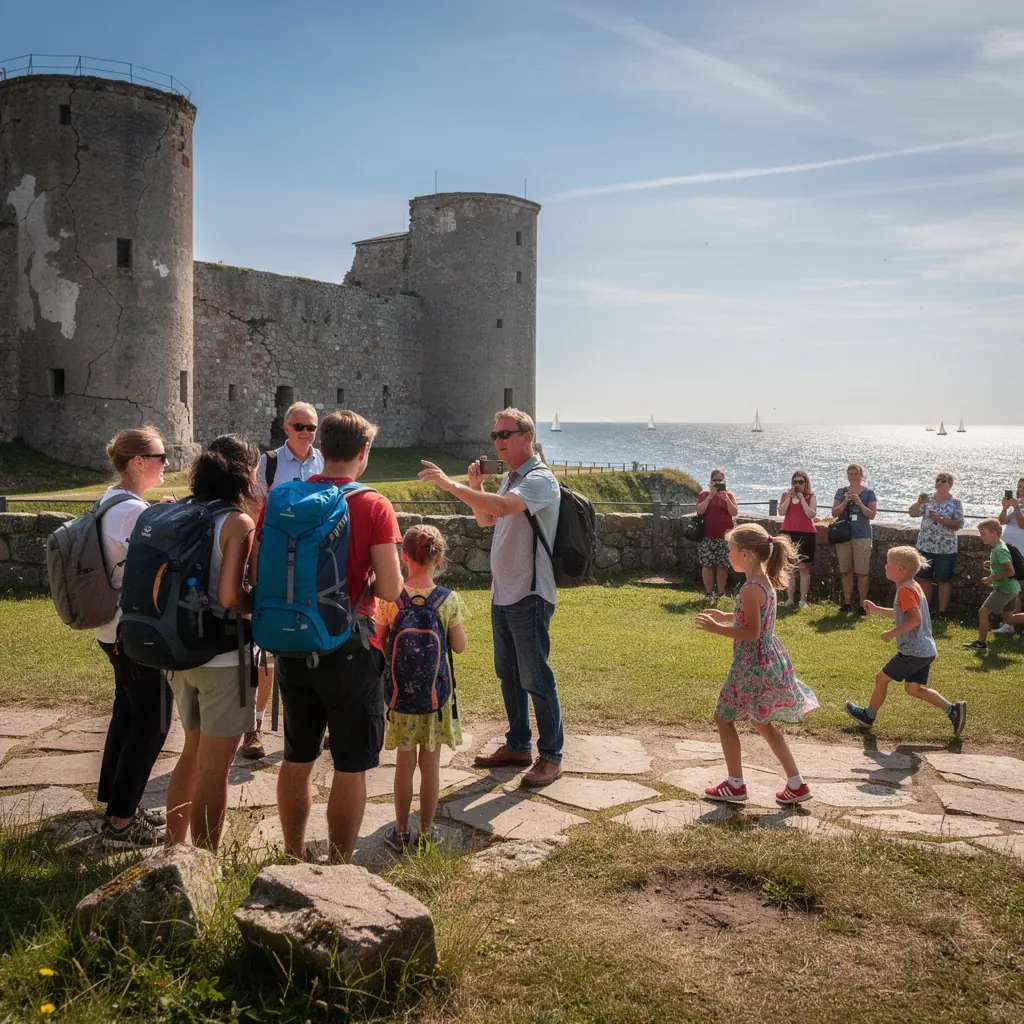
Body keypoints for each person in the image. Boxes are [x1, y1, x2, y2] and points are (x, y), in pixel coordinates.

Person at [274, 410, 403, 862]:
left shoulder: (286, 497)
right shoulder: (371, 504)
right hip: (350, 647)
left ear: (321, 448)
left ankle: (292, 856)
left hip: (292, 643)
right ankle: (339, 864)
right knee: (351, 764)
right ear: (363, 453)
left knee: (297, 757)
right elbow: (390, 588)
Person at [418, 408, 564, 788]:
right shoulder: (512, 479)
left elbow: (501, 510)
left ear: (526, 436)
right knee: (509, 674)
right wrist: (476, 488)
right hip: (505, 593)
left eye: (504, 435)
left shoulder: (540, 479)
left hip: (529, 593)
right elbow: (487, 518)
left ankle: (551, 756)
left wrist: (451, 486)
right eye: (494, 435)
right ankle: (518, 745)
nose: (497, 442)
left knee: (536, 677)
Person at [163, 435, 259, 852]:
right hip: (224, 658)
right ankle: (203, 863)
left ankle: (172, 849)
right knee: (216, 768)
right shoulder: (237, 522)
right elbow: (229, 598)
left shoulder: (180, 511)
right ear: (243, 472)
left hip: (180, 650)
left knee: (190, 753)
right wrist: (256, 601)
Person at [693, 525, 819, 806]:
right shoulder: (763, 582)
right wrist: (728, 615)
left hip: (750, 665)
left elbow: (751, 632)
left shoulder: (751, 588)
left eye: (731, 550)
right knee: (762, 723)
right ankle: (796, 784)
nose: (728, 555)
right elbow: (753, 617)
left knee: (723, 717)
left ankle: (735, 785)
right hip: (766, 660)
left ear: (746, 554)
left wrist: (716, 628)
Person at [95, 427, 174, 849]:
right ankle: (122, 823)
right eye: (161, 457)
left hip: (112, 627)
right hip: (130, 629)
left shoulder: (115, 501)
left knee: (128, 712)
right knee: (154, 717)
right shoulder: (130, 512)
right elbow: (150, 567)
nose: (166, 463)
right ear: (137, 463)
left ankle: (116, 806)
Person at [376, 525, 468, 852]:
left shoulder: (391, 600)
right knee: (430, 768)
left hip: (401, 701)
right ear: (438, 557)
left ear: (403, 557)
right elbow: (459, 647)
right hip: (436, 700)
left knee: (404, 765)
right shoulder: (449, 600)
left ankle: (400, 833)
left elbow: (379, 640)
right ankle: (428, 833)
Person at [243, 402, 324, 759]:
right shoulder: (269, 462)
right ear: (286, 427)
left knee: (316, 642)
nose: (307, 433)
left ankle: (318, 725)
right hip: (275, 560)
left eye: (312, 427)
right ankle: (253, 729)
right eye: (300, 426)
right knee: (260, 649)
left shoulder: (322, 461)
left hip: (315, 563)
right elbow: (254, 506)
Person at [845, 547, 966, 737]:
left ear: (899, 569)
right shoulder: (912, 586)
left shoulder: (905, 591)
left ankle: (868, 716)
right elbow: (903, 614)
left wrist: (892, 633)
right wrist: (877, 610)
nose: (884, 566)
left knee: (881, 678)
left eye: (887, 562)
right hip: (926, 650)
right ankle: (953, 710)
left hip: (913, 651)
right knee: (913, 689)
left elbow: (914, 620)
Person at [908, 473, 964, 618]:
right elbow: (912, 513)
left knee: (943, 580)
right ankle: (925, 611)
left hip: (946, 548)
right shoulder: (927, 500)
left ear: (950, 484)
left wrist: (940, 519)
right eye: (937, 480)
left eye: (943, 481)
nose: (939, 483)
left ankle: (942, 612)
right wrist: (919, 502)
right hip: (925, 545)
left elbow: (958, 524)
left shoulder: (955, 503)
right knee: (925, 578)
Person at [963, 518, 1021, 654]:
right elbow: (1005, 565)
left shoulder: (999, 550)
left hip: (1005, 589)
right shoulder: (999, 546)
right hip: (1011, 588)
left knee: (983, 612)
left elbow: (1010, 571)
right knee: (1009, 619)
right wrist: (992, 564)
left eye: (983, 533)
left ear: (993, 533)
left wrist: (991, 578)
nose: (981, 536)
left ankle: (981, 643)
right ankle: (981, 643)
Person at [831, 463, 877, 615]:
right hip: (844, 536)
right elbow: (834, 513)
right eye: (850, 473)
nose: (852, 476)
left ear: (861, 475)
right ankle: (847, 603)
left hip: (862, 536)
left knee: (862, 573)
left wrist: (858, 502)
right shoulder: (841, 491)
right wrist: (845, 501)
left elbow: (871, 514)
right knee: (846, 571)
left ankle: (863, 605)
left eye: (855, 473)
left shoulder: (869, 493)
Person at [695, 469, 739, 603]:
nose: (717, 482)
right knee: (707, 565)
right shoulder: (704, 494)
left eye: (720, 480)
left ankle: (721, 593)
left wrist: (725, 498)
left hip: (724, 536)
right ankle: (708, 593)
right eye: (715, 480)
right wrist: (710, 496)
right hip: (707, 535)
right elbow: (700, 510)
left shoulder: (729, 495)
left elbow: (734, 512)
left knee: (722, 565)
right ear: (710, 481)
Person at [778, 469, 817, 609]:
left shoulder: (810, 496)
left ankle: (803, 600)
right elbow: (781, 512)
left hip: (806, 533)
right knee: (789, 567)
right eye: (795, 482)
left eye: (801, 482)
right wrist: (789, 498)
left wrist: (801, 499)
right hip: (788, 531)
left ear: (806, 483)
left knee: (803, 566)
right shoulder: (785, 495)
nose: (797, 484)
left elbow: (810, 514)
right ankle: (790, 598)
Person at [994, 478, 1024, 635]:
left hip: (1020, 552)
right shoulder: (1015, 504)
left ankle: (1010, 622)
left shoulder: (1018, 506)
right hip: (1007, 550)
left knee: (1014, 588)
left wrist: (1017, 507)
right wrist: (1005, 508)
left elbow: (1022, 524)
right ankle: (1009, 621)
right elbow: (1001, 521)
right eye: (1020, 487)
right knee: (1009, 586)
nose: (1021, 489)